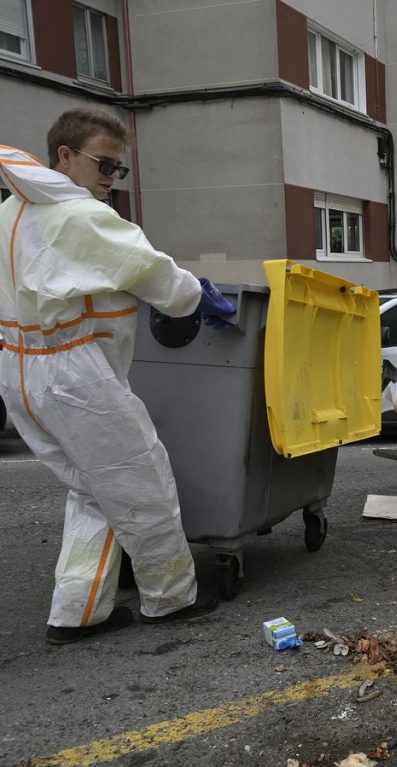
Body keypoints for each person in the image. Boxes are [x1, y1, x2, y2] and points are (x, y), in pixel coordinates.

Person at [0, 109, 238, 644]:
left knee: (92, 491)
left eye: (118, 170)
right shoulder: (80, 216)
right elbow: (158, 276)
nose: (111, 178)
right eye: (104, 165)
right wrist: (200, 297)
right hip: (71, 374)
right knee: (141, 481)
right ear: (65, 156)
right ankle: (169, 599)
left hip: (18, 371)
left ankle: (77, 612)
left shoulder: (9, 213)